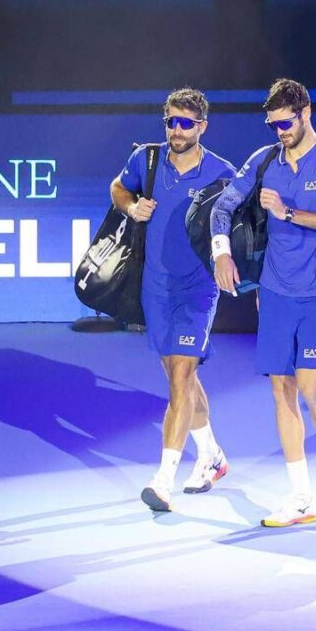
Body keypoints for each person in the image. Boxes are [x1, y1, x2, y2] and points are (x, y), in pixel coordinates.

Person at [210, 79, 316, 528]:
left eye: (285, 123)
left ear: (305, 113)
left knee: (312, 389)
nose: (279, 132)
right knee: (282, 389)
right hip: (274, 295)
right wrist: (221, 251)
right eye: (272, 124)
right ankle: (300, 496)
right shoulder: (263, 161)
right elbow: (222, 208)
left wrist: (288, 212)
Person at [109, 88, 237, 512]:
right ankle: (212, 455)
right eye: (171, 122)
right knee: (180, 379)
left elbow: (237, 226)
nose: (177, 131)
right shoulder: (145, 159)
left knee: (182, 378)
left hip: (198, 289)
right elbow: (117, 188)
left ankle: (163, 479)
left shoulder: (222, 173)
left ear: (202, 127)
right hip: (155, 287)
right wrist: (131, 207)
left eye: (186, 123)